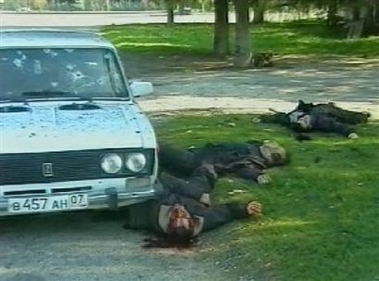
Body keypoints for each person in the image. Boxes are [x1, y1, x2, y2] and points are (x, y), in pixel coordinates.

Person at [124, 164, 262, 246]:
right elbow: (224, 213)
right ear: (192, 222)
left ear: (168, 224)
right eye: (184, 216)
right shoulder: (201, 220)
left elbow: (163, 181)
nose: (180, 211)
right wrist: (245, 210)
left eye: (175, 217)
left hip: (155, 188)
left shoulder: (155, 211)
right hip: (188, 194)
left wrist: (197, 195)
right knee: (206, 170)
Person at [158, 140, 288, 184]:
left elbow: (244, 169)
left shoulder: (253, 158)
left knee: (158, 150)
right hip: (200, 157)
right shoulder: (252, 149)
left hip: (198, 162)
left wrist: (257, 175)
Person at [259, 100, 370, 139]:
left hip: (314, 108)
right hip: (327, 111)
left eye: (302, 121)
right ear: (310, 126)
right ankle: (362, 116)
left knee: (345, 114)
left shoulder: (292, 119)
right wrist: (350, 133)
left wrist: (262, 119)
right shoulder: (320, 122)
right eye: (305, 123)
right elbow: (336, 126)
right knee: (348, 116)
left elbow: (279, 118)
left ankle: (361, 116)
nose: (304, 120)